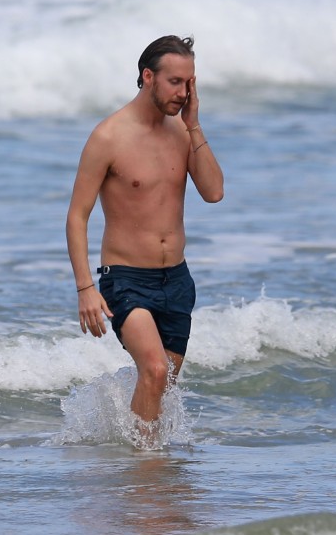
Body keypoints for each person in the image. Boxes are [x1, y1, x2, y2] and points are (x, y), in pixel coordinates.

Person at [66, 35, 223, 448]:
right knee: (154, 371)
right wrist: (85, 287)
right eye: (175, 82)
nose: (183, 92)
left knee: (162, 383)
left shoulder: (182, 133)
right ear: (147, 77)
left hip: (177, 280)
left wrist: (193, 124)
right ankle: (146, 475)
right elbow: (77, 215)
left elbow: (214, 191)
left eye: (189, 83)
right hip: (126, 279)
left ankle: (134, 463)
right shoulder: (108, 137)